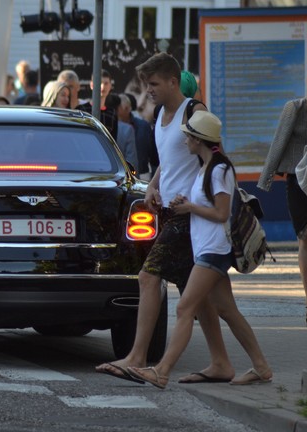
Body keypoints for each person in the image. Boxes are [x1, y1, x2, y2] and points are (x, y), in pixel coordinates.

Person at [95, 52, 237, 385]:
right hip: (169, 211)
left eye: (154, 84)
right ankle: (222, 363)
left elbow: (214, 156)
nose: (149, 91)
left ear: (173, 81)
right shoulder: (160, 114)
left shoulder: (194, 111)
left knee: (148, 277)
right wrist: (153, 186)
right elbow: (169, 159)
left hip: (188, 216)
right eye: (147, 85)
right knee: (202, 298)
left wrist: (198, 199)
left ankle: (138, 356)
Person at [126, 111, 272, 388]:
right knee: (228, 311)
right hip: (206, 249)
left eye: (189, 136)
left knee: (184, 308)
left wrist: (190, 207)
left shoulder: (218, 170)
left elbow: (220, 213)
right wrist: (184, 202)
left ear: (198, 140)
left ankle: (162, 371)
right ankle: (262, 367)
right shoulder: (207, 168)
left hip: (214, 251)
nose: (185, 140)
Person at [258, 66, 307, 328]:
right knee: (306, 237)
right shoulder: (296, 107)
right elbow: (278, 142)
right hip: (296, 180)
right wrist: (266, 179)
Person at [76, 70, 137, 168]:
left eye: (106, 83)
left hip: (105, 164)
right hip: (84, 161)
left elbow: (113, 142)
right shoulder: (81, 110)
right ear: (92, 85)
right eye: (99, 83)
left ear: (110, 86)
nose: (102, 87)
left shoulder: (111, 113)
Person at [118, 93, 154, 180]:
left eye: (118, 108)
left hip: (142, 175)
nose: (115, 111)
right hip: (119, 176)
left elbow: (153, 154)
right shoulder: (111, 127)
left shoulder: (143, 126)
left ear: (126, 108)